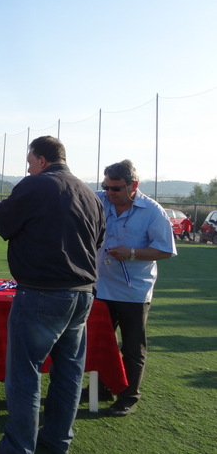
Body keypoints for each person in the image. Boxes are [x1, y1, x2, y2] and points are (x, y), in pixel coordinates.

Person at [0, 136, 105, 454]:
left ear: (42, 160)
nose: (28, 168)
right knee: (69, 371)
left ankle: (18, 447)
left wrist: (2, 207)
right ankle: (57, 440)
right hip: (82, 293)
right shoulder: (90, 194)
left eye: (30, 161)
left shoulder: (35, 185)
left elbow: (2, 223)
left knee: (25, 372)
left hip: (42, 291)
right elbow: (98, 239)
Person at [95, 159, 175, 417]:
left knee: (132, 347)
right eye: (106, 187)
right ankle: (101, 388)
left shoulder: (153, 211)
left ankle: (128, 396)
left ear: (134, 185)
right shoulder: (100, 199)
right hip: (100, 285)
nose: (109, 193)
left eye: (116, 188)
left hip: (133, 291)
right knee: (100, 342)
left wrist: (131, 253)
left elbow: (165, 250)